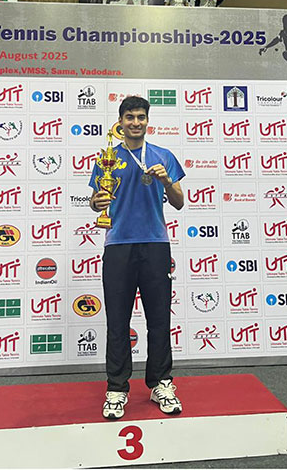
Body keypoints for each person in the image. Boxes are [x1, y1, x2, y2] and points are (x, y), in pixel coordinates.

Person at [90, 96, 186, 420]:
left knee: (159, 319)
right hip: (118, 246)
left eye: (140, 117)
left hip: (156, 244)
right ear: (120, 121)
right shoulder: (107, 157)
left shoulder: (162, 156)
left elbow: (179, 203)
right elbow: (94, 202)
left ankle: (161, 382)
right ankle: (117, 388)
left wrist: (166, 181)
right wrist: (97, 201)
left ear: (147, 121)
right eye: (129, 117)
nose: (135, 122)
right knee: (117, 321)